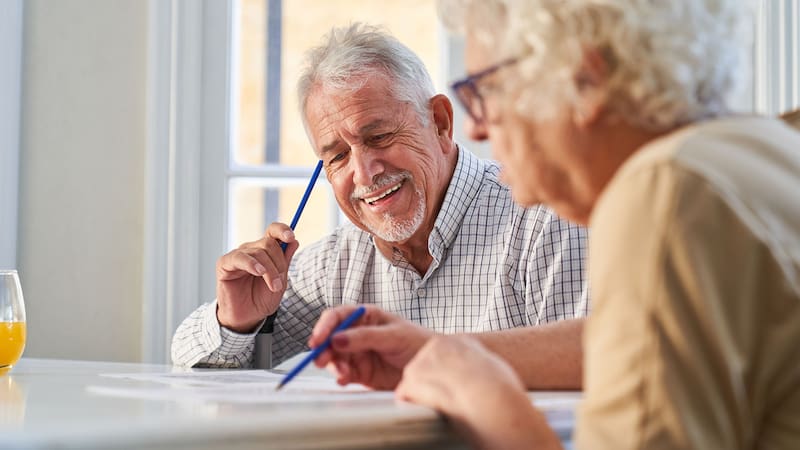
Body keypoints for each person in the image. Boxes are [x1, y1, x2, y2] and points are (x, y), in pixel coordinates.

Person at [312, 1, 800, 449]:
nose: (477, 128)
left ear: (581, 79)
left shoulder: (664, 192)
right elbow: (633, 344)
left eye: (485, 90)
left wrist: (486, 401)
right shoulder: (760, 151)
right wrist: (441, 351)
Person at [171, 23, 589, 387]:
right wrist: (236, 321)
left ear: (441, 122)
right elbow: (187, 359)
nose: (365, 174)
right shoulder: (339, 261)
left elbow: (598, 373)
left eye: (379, 137)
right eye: (336, 156)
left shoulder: (545, 223)